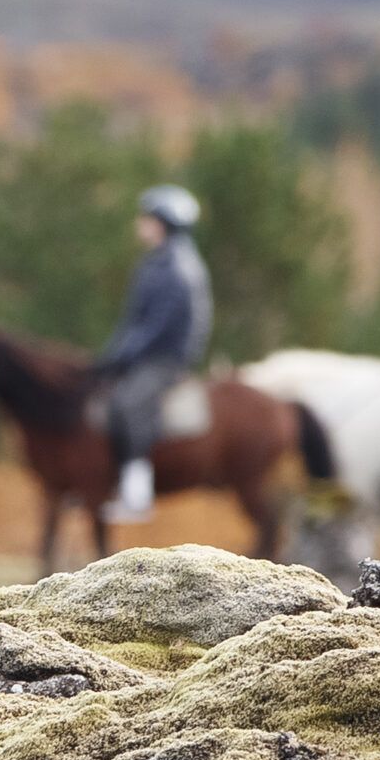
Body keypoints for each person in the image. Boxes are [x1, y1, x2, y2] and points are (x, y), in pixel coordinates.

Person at [97, 185, 213, 524]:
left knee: (130, 403)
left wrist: (123, 357)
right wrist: (112, 355)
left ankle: (137, 497)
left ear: (164, 223)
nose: (140, 224)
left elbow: (157, 328)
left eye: (147, 218)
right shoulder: (156, 263)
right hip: (147, 354)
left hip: (167, 359)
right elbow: (133, 321)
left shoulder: (178, 268)